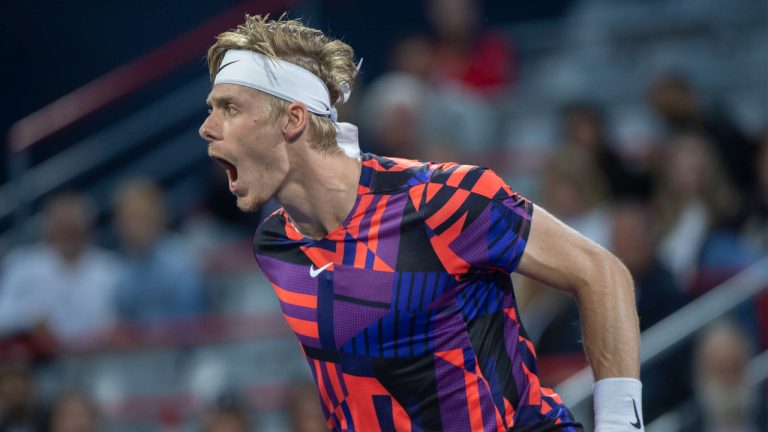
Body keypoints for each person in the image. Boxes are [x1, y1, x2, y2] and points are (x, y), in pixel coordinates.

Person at [199, 15, 642, 431]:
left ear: (293, 119)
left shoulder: (442, 200)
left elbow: (602, 273)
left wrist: (621, 423)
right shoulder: (275, 244)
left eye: (229, 108)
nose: (207, 127)